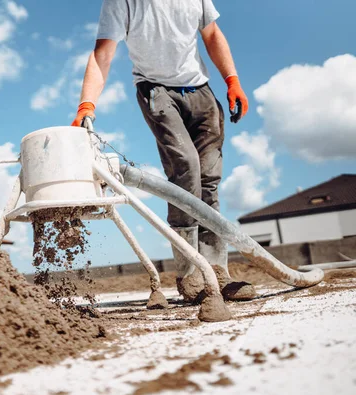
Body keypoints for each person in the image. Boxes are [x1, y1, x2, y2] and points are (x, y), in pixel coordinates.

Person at [73, 0, 256, 302]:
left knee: (209, 178)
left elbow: (211, 34)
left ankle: (216, 270)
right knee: (186, 170)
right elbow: (102, 52)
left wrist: (232, 79)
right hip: (156, 91)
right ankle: (190, 273)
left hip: (201, 92)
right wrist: (87, 104)